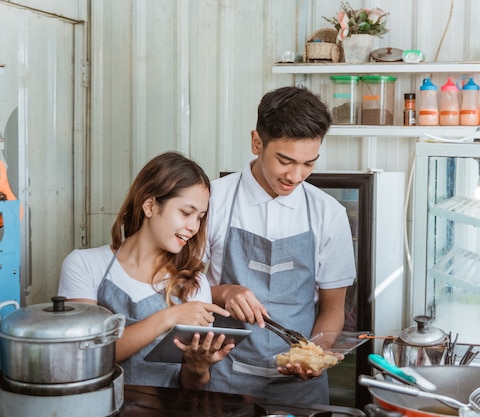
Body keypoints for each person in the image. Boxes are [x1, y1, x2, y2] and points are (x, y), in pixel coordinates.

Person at [205, 86, 356, 404]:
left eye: (309, 164)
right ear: (257, 142)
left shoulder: (328, 213)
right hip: (223, 377)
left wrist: (319, 353)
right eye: (285, 161)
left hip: (301, 389)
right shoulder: (212, 200)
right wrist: (223, 292)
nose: (296, 175)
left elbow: (331, 308)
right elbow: (176, 289)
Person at [58, 151, 233, 390]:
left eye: (200, 217)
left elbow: (193, 387)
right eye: (186, 212)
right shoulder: (85, 265)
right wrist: (170, 316)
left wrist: (198, 367)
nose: (193, 227)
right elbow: (87, 357)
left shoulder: (195, 283)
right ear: (150, 205)